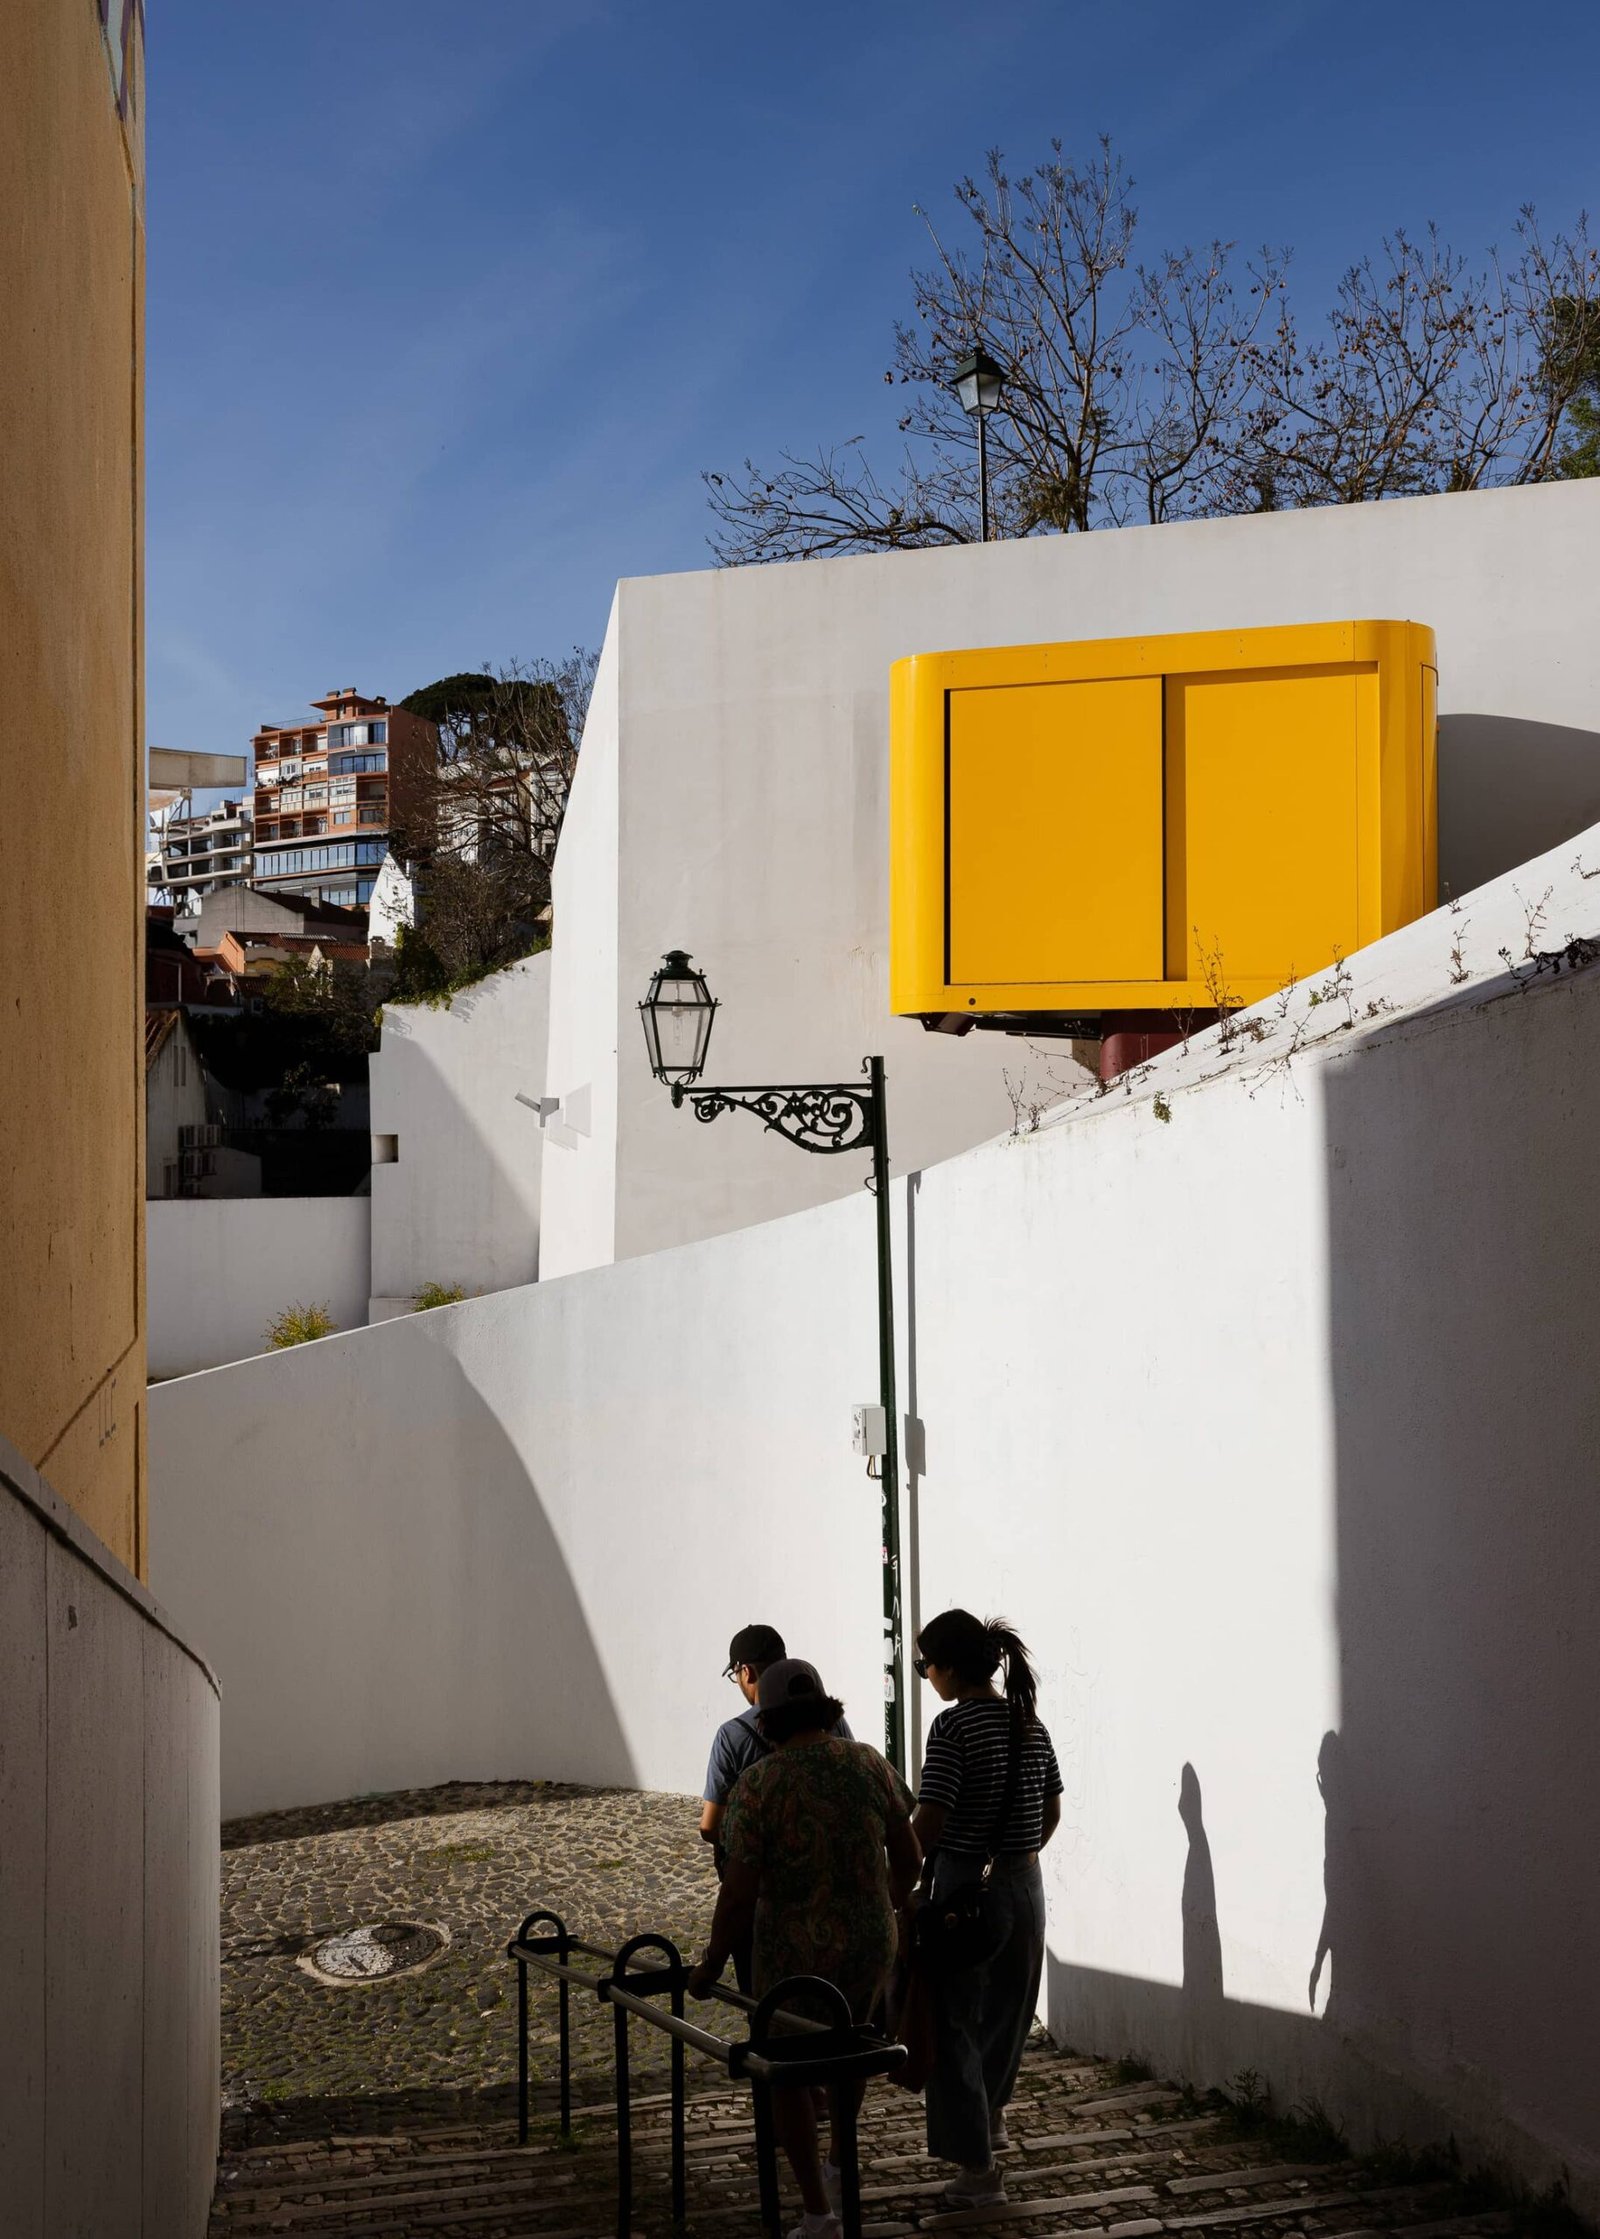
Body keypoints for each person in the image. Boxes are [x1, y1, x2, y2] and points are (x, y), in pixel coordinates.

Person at [689, 1658, 919, 2239]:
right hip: (868, 1944)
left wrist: (710, 1964)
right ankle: (839, 2162)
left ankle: (818, 2212)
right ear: (825, 1707)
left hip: (791, 1955)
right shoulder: (869, 1763)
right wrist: (885, 1909)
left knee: (788, 2072)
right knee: (852, 2044)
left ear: (766, 1720)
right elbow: (910, 1859)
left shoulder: (758, 1786)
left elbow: (737, 1895)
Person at [912, 1609, 1062, 2209]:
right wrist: (1013, 1861)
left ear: (949, 1668)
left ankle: (978, 2170)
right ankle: (991, 2117)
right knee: (1006, 2015)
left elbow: (931, 1819)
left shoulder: (953, 1728)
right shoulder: (1031, 1723)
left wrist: (905, 1875)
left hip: (964, 1891)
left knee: (952, 2025)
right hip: (1024, 1885)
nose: (925, 1675)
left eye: (925, 1665)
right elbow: (1052, 1811)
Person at [700, 1624, 851, 1990]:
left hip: (767, 1909)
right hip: (835, 1897)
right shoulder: (838, 1729)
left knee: (766, 2003)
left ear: (746, 1672)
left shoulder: (734, 1739)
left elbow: (710, 1826)